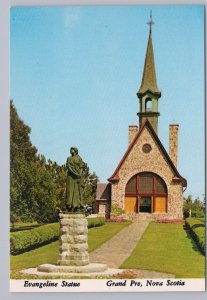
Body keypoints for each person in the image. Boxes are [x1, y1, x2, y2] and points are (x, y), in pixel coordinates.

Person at [66, 147, 83, 212]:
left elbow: (81, 167)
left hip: (77, 177)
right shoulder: (69, 158)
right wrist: (75, 173)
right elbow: (68, 167)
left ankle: (76, 206)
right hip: (70, 176)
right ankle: (69, 205)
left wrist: (79, 175)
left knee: (77, 191)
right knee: (70, 190)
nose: (70, 150)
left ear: (75, 150)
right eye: (70, 149)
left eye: (72, 149)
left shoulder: (79, 158)